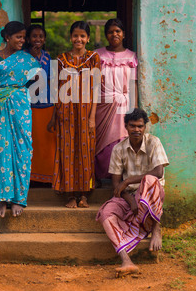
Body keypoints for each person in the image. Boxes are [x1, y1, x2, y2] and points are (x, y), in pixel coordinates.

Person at [0, 21, 40, 218]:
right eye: (19, 37)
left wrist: (17, 95)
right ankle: (2, 200)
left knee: (22, 150)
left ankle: (18, 199)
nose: (23, 40)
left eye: (24, 37)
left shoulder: (28, 60)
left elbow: (39, 82)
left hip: (21, 109)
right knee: (1, 151)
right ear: (7, 37)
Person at [96, 108, 169, 277]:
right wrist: (130, 200)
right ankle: (126, 260)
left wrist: (128, 180)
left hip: (151, 194)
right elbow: (116, 184)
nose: (136, 129)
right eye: (132, 126)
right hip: (129, 196)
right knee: (105, 213)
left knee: (149, 180)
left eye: (140, 126)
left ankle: (156, 228)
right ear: (126, 127)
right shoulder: (118, 149)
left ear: (145, 127)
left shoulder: (154, 142)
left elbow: (158, 173)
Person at [48, 21, 100, 208]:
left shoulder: (94, 58)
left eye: (82, 36)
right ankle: (70, 196)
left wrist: (93, 116)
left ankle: (84, 195)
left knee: (86, 151)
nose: (79, 39)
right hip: (66, 111)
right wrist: (54, 116)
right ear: (70, 37)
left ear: (87, 38)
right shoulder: (61, 59)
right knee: (67, 151)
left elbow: (95, 89)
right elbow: (56, 90)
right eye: (75, 35)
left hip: (86, 111)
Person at [95, 18, 138, 185]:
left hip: (124, 106)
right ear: (106, 35)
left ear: (124, 34)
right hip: (102, 106)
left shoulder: (131, 57)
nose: (114, 34)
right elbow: (93, 84)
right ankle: (99, 176)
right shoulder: (98, 55)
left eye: (118, 31)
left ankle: (119, 179)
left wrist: (134, 110)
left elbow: (133, 84)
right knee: (102, 145)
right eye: (111, 32)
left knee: (121, 141)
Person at [25, 24, 56, 184]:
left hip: (47, 106)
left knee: (47, 143)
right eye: (34, 36)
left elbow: (50, 80)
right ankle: (33, 179)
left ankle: (48, 178)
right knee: (32, 143)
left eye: (41, 36)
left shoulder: (47, 57)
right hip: (28, 106)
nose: (38, 39)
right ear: (28, 39)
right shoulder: (22, 56)